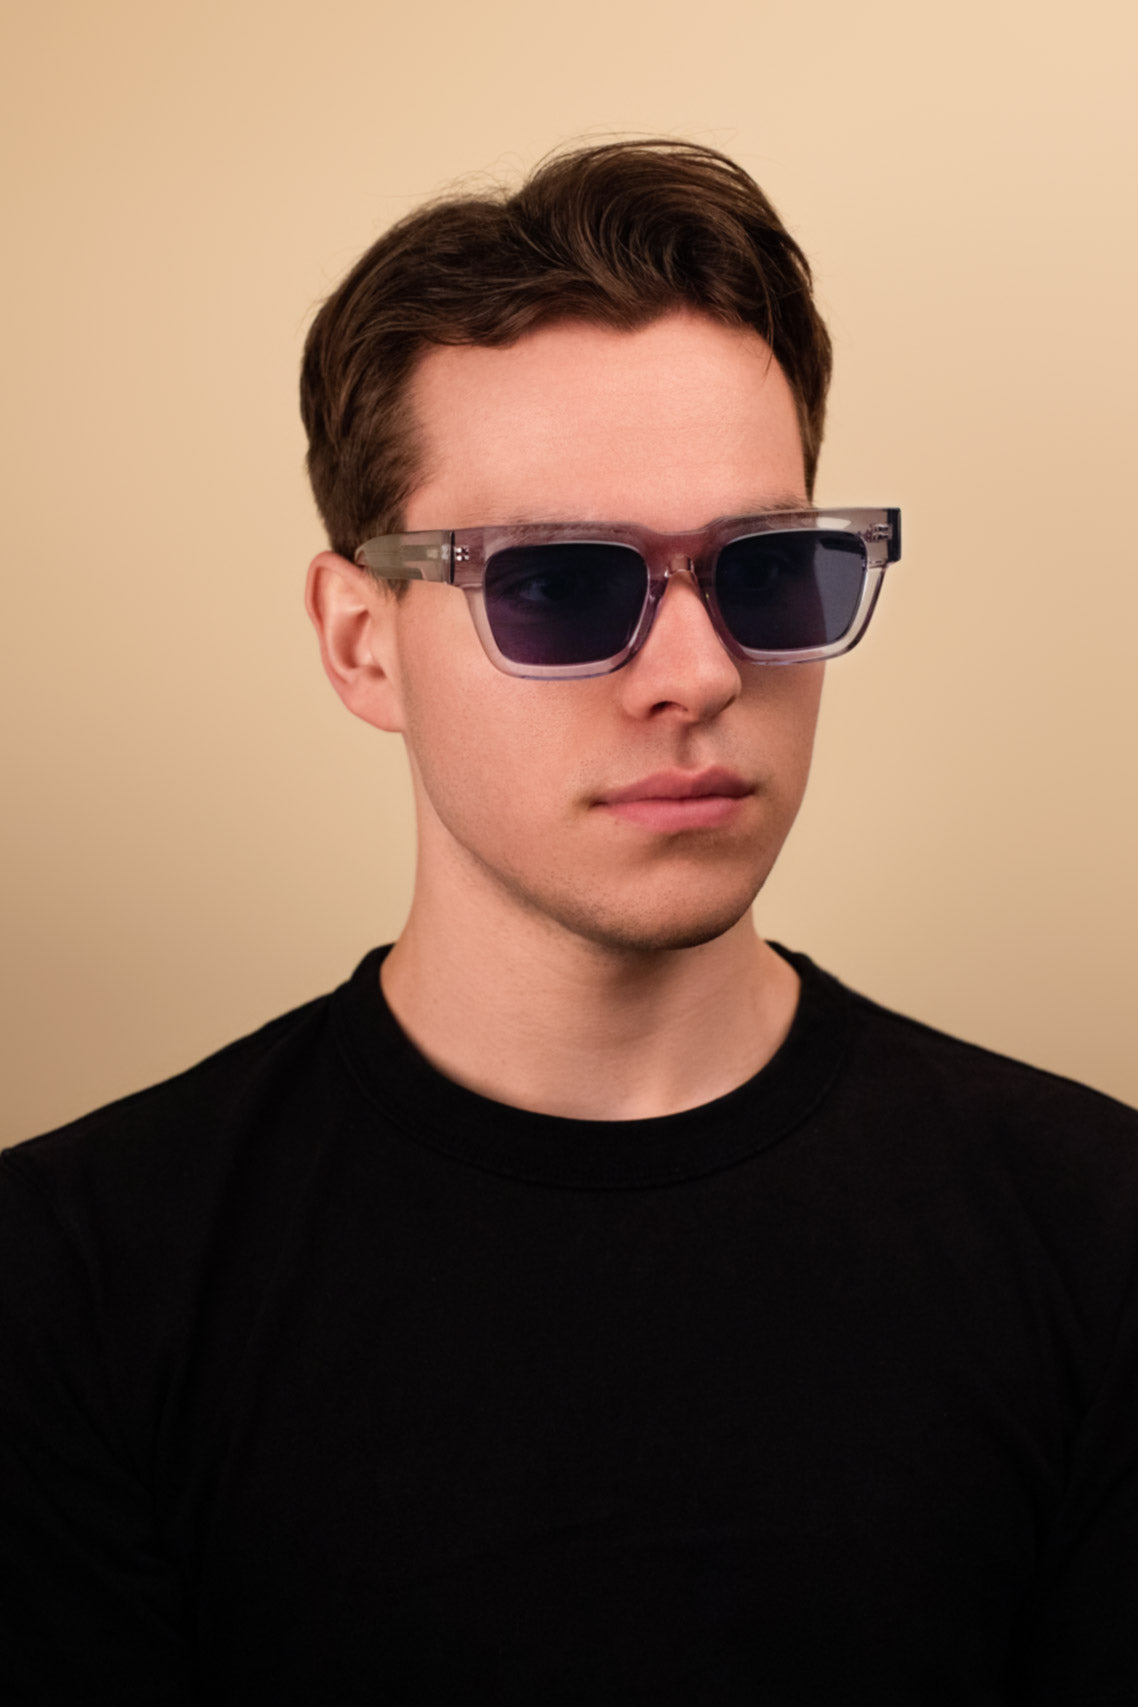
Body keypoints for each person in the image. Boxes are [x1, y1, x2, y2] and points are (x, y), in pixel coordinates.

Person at [1, 140, 1135, 1706]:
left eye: (767, 571)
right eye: (555, 586)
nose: (698, 674)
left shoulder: (1095, 1229)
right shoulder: (68, 1278)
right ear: (362, 644)